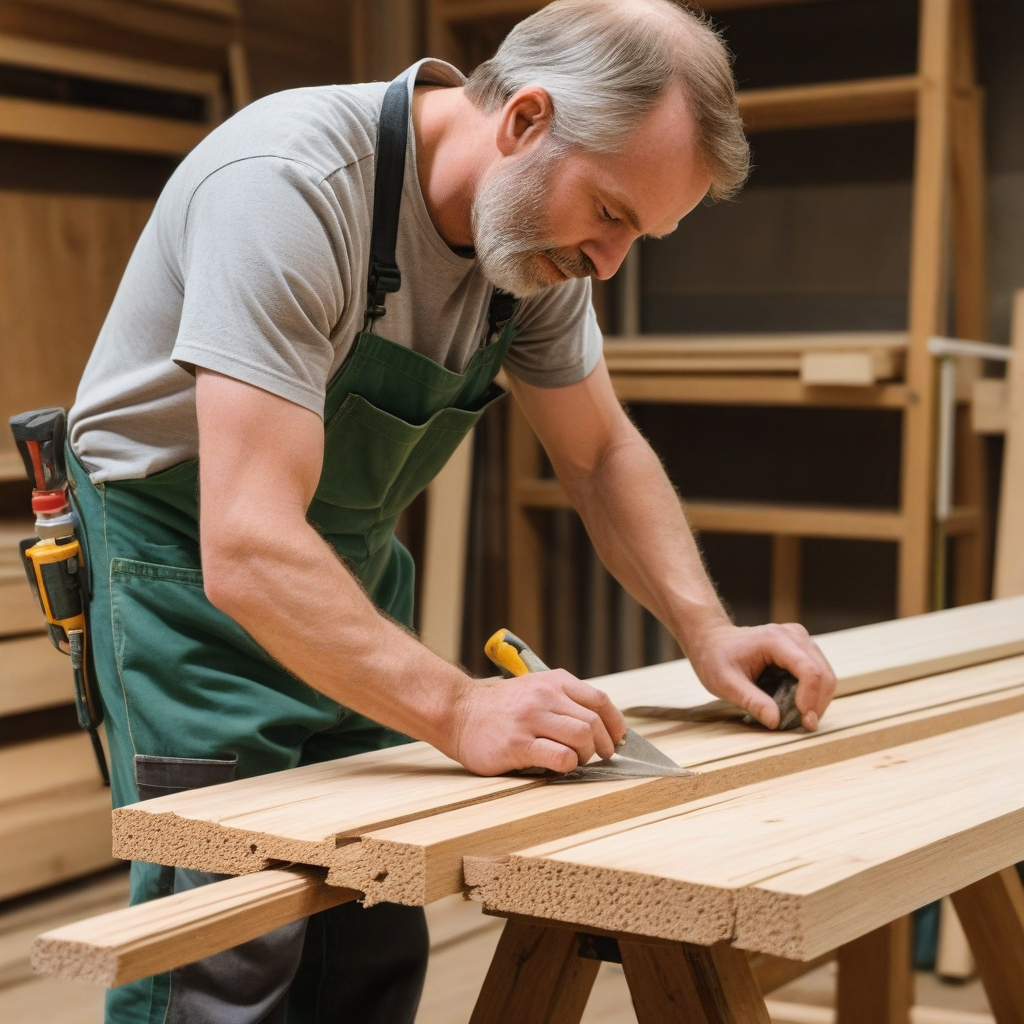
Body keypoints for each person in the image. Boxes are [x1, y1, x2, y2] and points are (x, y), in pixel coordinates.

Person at [67, 0, 837, 1020]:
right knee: (222, 951)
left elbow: (601, 452)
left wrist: (705, 627)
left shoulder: (532, 250)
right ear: (524, 120)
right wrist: (460, 707)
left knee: (372, 930)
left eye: (638, 233)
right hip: (181, 581)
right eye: (610, 212)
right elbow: (247, 547)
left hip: (341, 569)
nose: (610, 260)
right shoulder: (289, 188)